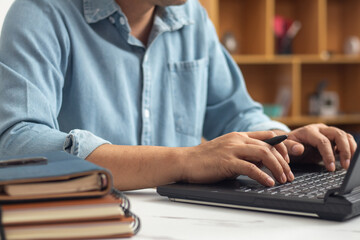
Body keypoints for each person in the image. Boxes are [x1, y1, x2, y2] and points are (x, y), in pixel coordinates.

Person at [0, 0, 356, 190]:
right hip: (88, 224)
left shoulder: (193, 18)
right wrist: (185, 161)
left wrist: (284, 142)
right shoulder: (41, 12)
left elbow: (237, 114)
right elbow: (17, 143)